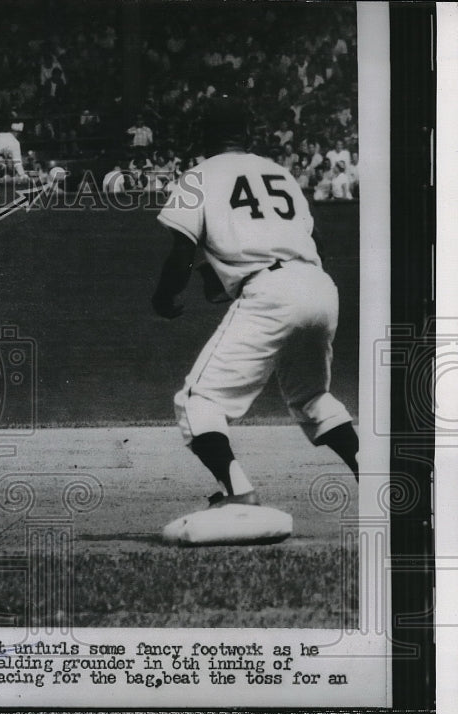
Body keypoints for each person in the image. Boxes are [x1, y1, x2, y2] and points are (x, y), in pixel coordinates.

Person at [151, 96, 358, 512]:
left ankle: (237, 492)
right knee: (313, 398)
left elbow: (181, 252)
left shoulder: (197, 176)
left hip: (270, 290)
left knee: (197, 402)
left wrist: (164, 295)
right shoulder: (277, 171)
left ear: (202, 137)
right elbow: (313, 243)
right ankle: (376, 476)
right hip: (317, 284)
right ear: (247, 136)